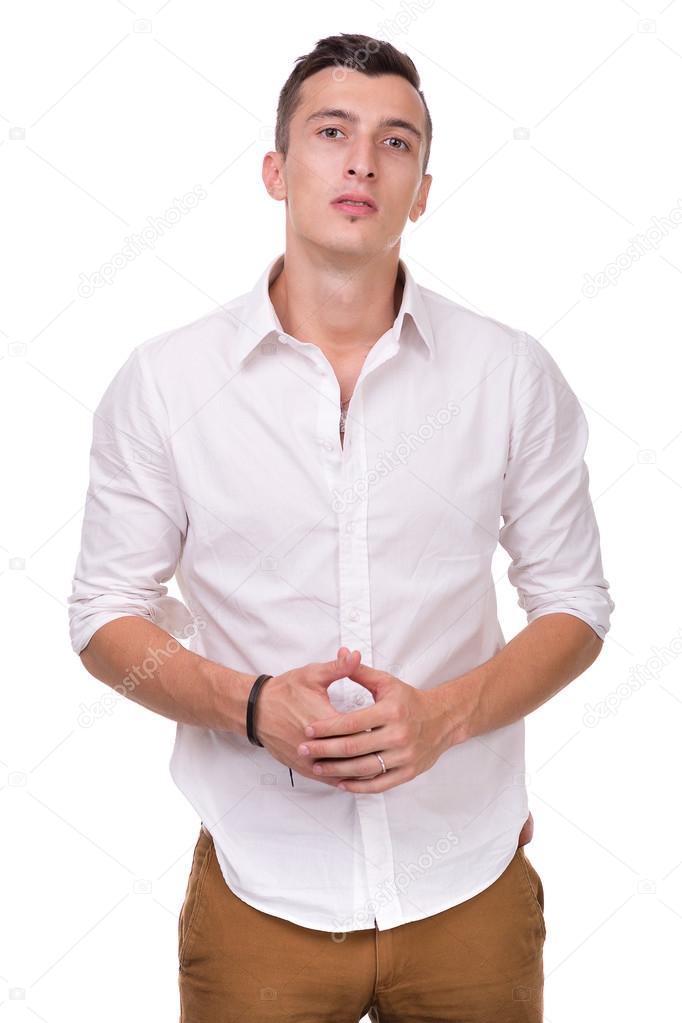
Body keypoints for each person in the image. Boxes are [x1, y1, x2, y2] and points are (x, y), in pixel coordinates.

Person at [68, 31, 615, 1023]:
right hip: (258, 893)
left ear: (422, 188)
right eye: (332, 131)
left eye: (395, 141)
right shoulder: (165, 382)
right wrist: (249, 704)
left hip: (469, 885)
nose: (362, 159)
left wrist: (446, 715)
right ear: (277, 171)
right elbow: (106, 617)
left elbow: (573, 604)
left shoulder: (510, 374)